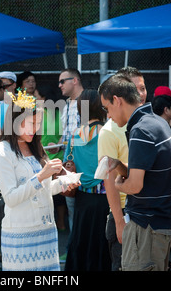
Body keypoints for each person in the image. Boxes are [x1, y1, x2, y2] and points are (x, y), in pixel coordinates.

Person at [0, 90, 80, 271]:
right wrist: (41, 176)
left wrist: (63, 183)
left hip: (46, 231)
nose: (35, 129)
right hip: (21, 233)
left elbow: (43, 189)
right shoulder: (2, 152)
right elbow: (11, 198)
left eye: (38, 124)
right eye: (31, 123)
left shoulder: (35, 148)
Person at [100, 74, 171, 271]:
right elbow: (147, 173)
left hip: (146, 228)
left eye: (107, 108)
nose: (108, 115)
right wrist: (118, 164)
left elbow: (135, 185)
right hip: (159, 224)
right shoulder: (157, 122)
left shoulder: (141, 130)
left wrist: (118, 184)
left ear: (116, 101)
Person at [63, 89, 110, 271]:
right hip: (106, 198)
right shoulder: (107, 133)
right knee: (101, 247)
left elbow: (69, 161)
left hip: (82, 198)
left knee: (81, 244)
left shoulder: (75, 135)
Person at [34, 85, 66, 231]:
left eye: (36, 97)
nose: (34, 100)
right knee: (60, 195)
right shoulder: (60, 113)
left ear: (43, 99)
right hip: (60, 158)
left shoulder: (40, 115)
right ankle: (61, 222)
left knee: (46, 192)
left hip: (44, 159)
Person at [58, 68, 84, 246]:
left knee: (80, 211)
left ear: (74, 80)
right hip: (70, 165)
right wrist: (59, 145)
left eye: (62, 81)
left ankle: (79, 250)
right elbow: (65, 136)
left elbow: (88, 136)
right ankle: (75, 249)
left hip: (84, 166)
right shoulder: (67, 104)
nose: (59, 85)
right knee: (72, 208)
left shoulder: (87, 101)